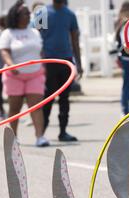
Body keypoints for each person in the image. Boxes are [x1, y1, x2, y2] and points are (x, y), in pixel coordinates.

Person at [0, 1, 49, 147]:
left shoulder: (34, 32)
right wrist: (11, 64)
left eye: (29, 13)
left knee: (36, 107)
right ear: (16, 15)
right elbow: (4, 51)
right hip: (14, 75)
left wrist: (43, 64)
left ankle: (40, 137)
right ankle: (13, 138)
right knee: (15, 108)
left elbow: (40, 51)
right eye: (26, 13)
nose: (29, 15)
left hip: (35, 74)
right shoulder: (7, 34)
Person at [39, 0, 82, 142]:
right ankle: (41, 133)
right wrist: (39, 62)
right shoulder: (42, 12)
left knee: (64, 98)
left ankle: (63, 132)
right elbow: (36, 38)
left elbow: (75, 39)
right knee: (48, 98)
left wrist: (79, 63)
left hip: (66, 61)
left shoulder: (70, 14)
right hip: (48, 62)